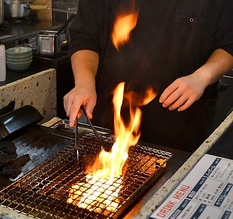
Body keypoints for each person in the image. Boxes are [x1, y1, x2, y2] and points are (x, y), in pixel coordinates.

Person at [64, 0, 233, 152]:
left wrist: (202, 77)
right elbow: (85, 38)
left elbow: (228, 43)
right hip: (111, 123)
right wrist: (84, 83)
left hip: (182, 128)